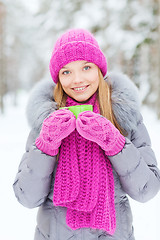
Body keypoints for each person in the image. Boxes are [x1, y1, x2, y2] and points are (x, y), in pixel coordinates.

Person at [13, 28, 160, 240]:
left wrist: (115, 143)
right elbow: (26, 197)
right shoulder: (46, 121)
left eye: (86, 67)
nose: (77, 79)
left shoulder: (124, 117)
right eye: (66, 71)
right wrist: (46, 145)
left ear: (99, 70)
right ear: (58, 78)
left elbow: (146, 190)